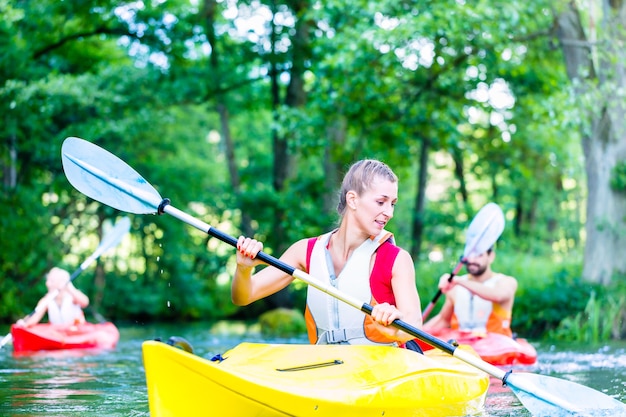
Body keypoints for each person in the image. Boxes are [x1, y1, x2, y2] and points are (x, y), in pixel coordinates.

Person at [231, 159, 422, 347]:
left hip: (380, 369)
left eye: (392, 204)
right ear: (353, 200)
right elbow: (243, 297)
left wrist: (395, 329)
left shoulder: (396, 259)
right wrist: (243, 269)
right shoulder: (305, 251)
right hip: (325, 366)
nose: (389, 212)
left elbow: (414, 324)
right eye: (381, 202)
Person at [423, 247, 517, 337]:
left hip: (496, 348)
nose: (472, 260)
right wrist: (414, 335)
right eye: (469, 255)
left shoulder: (506, 282)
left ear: (490, 256)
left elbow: (497, 295)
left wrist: (458, 281)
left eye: (478, 255)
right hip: (462, 345)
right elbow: (443, 320)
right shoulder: (455, 287)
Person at [16, 267, 89, 327]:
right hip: (58, 335)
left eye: (51, 281)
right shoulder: (46, 300)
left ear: (61, 282)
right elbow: (35, 317)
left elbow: (85, 302)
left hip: (77, 334)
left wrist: (69, 287)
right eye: (48, 280)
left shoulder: (72, 297)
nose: (47, 284)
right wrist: (24, 323)